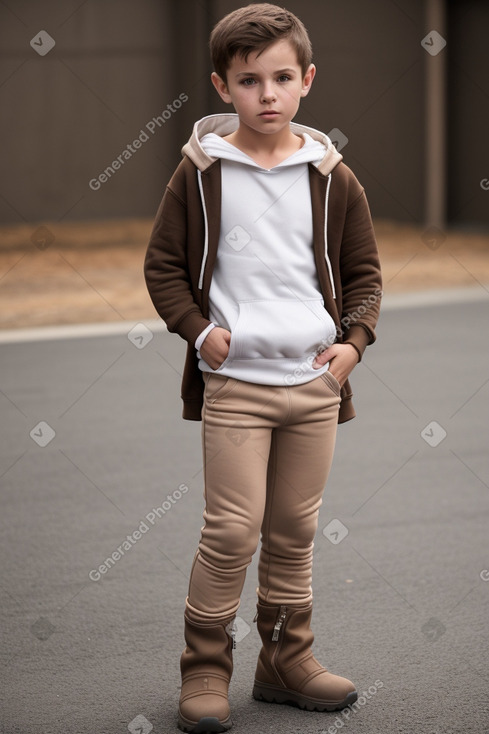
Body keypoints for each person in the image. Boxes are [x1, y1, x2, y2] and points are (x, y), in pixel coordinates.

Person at [144, 4, 382, 732]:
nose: (267, 95)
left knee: (293, 530)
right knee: (231, 531)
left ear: (306, 80)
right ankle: (205, 671)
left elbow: (363, 271)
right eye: (250, 81)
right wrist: (197, 331)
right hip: (238, 387)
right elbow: (163, 267)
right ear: (223, 87)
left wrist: (352, 344)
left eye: (282, 78)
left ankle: (285, 661)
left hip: (314, 386)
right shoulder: (202, 174)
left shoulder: (332, 177)